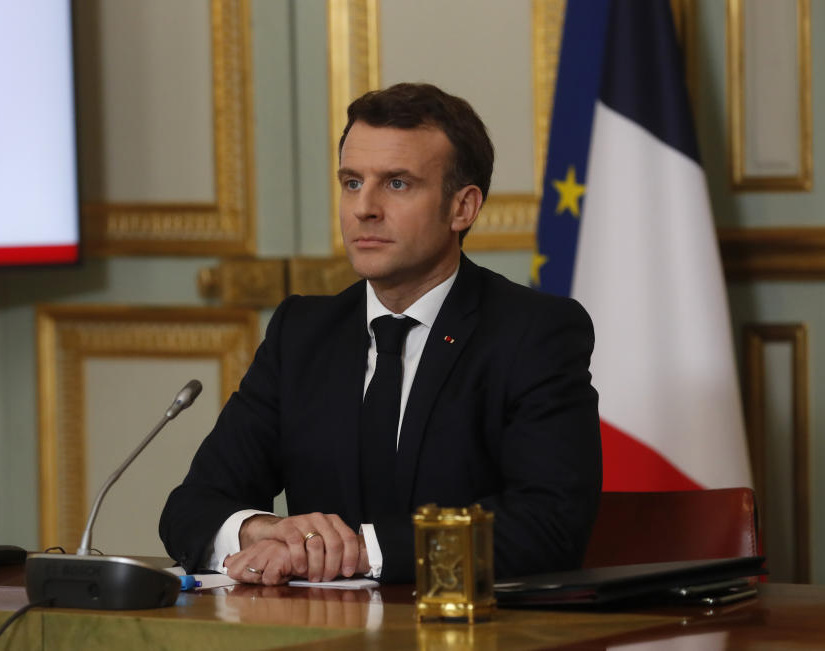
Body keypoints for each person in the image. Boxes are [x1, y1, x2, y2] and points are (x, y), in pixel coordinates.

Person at [160, 82, 601, 585]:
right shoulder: (302, 333)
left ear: (463, 207)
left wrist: (358, 551)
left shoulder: (534, 332)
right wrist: (263, 531)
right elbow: (190, 508)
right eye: (351, 182)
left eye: (396, 184)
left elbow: (547, 526)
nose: (363, 208)